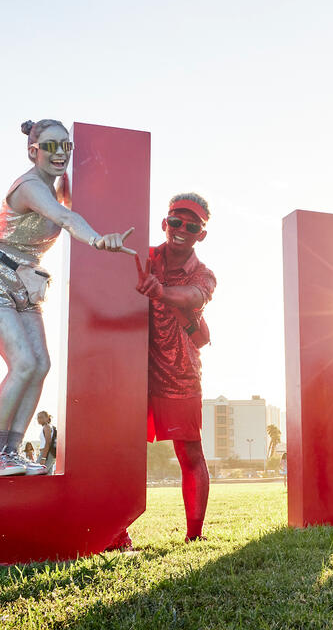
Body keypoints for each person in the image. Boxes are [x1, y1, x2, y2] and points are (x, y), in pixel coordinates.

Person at [0, 119, 134, 477]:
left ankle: (11, 452)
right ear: (33, 151)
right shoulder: (30, 186)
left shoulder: (57, 187)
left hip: (26, 282)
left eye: (66, 146)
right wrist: (98, 239)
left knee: (41, 364)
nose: (60, 153)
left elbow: (67, 208)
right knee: (23, 363)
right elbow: (65, 217)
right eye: (50, 146)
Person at [137, 193, 217, 543]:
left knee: (190, 452)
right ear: (164, 223)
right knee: (123, 450)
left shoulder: (205, 274)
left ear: (202, 234)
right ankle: (117, 534)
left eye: (192, 226)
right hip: (133, 370)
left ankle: (194, 535)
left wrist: (160, 291)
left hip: (180, 373)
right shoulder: (143, 257)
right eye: (175, 221)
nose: (181, 229)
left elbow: (194, 297)